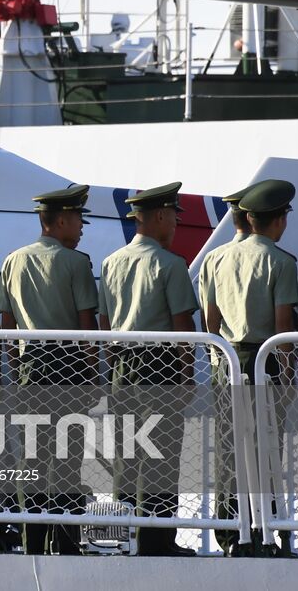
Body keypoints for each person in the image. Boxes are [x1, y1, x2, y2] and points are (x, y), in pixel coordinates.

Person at [97, 182, 198, 557]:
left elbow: (105, 324)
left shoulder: (111, 263)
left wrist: (113, 370)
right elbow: (182, 325)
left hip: (122, 364)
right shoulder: (171, 264)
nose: (175, 224)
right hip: (162, 364)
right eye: (172, 215)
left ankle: (122, 539)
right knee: (161, 454)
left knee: (126, 455)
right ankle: (157, 542)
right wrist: (187, 377)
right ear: (158, 216)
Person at [0, 183, 98, 556]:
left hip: (29, 366)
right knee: (68, 457)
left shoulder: (11, 261)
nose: (82, 227)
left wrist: (16, 366)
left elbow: (7, 325)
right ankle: (68, 542)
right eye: (78, 219)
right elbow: (87, 325)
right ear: (61, 221)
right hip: (69, 364)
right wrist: (93, 374)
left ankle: (34, 542)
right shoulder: (76, 263)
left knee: (33, 456)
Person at [201, 179, 298, 556]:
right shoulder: (280, 261)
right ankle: (266, 532)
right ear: (279, 220)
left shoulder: (215, 258)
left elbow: (210, 323)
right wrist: (289, 375)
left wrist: (218, 360)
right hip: (266, 360)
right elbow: (282, 328)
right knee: (267, 450)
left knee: (229, 449)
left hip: (225, 360)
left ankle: (230, 535)